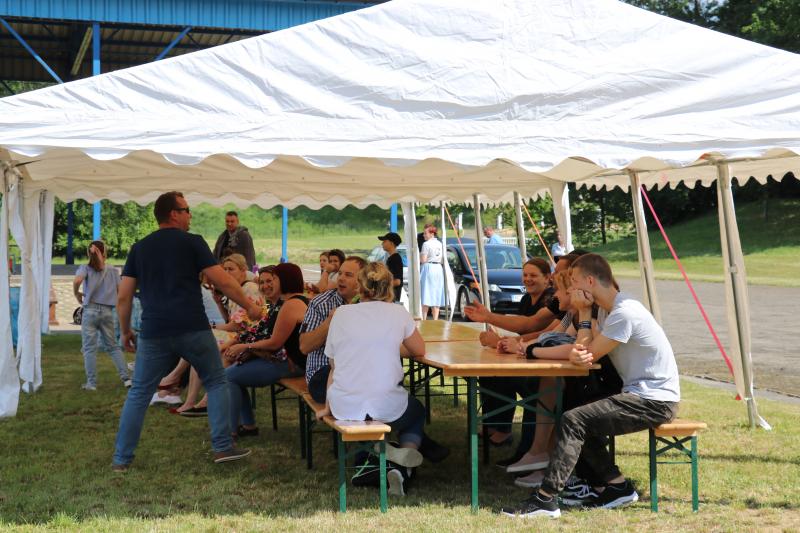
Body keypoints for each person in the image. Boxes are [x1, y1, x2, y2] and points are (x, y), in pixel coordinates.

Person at [501, 253, 680, 518]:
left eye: (573, 281)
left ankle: (545, 499)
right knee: (574, 413)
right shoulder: (608, 309)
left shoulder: (624, 312)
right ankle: (616, 486)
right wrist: (584, 315)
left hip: (654, 401)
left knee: (574, 419)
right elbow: (584, 350)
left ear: (590, 281)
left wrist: (581, 341)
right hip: (640, 395)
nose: (570, 288)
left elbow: (587, 353)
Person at [112, 191, 262, 472]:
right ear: (173, 214)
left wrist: (124, 331)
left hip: (154, 330)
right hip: (193, 327)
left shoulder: (139, 248)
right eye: (186, 210)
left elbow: (124, 296)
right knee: (216, 381)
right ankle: (222, 446)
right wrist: (251, 307)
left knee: (139, 393)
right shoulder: (193, 242)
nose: (190, 215)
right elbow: (224, 282)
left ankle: (121, 459)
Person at [316, 262, 444, 496]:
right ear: (389, 286)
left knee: (372, 407)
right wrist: (389, 346)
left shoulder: (341, 314)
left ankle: (381, 457)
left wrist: (327, 406)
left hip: (344, 404)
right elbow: (419, 349)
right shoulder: (398, 312)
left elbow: (334, 366)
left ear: (360, 286)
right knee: (416, 411)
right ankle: (404, 462)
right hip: (387, 405)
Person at [478, 258, 554, 452]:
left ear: (548, 278)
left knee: (513, 382)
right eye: (525, 275)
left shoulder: (552, 299)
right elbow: (524, 327)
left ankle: (510, 436)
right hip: (526, 356)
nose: (527, 279)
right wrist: (504, 341)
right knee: (488, 374)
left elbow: (536, 329)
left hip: (543, 362)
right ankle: (494, 426)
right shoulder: (526, 299)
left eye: (533, 275)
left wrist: (500, 340)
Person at [224, 263, 309, 437]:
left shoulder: (291, 305)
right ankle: (246, 426)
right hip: (284, 359)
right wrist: (243, 346)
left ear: (284, 280)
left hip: (291, 364)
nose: (269, 284)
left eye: (273, 279)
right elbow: (262, 331)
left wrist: (245, 347)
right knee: (231, 374)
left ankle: (230, 431)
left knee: (228, 377)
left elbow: (274, 343)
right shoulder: (285, 303)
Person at [299, 256, 366, 404]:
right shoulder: (320, 303)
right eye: (340, 273)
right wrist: (331, 321)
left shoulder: (370, 304)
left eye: (348, 275)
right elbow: (304, 346)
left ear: (363, 280)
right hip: (323, 371)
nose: (341, 278)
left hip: (359, 369)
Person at [73, 240, 131, 390]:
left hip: (90, 310)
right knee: (113, 346)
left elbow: (77, 280)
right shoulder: (113, 270)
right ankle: (126, 378)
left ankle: (91, 383)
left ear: (88, 253)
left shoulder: (85, 268)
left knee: (89, 349)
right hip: (107, 312)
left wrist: (77, 293)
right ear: (105, 253)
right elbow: (120, 292)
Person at [420, 225, 445, 320]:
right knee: (436, 294)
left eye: (425, 233)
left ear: (432, 234)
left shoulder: (426, 244)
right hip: (438, 268)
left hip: (428, 268)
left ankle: (424, 319)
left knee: (426, 293)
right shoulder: (440, 244)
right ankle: (435, 319)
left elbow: (423, 260)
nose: (424, 235)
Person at [378, 231, 403, 302]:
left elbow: (397, 281)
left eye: (385, 241)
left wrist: (381, 287)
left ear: (391, 243)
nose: (382, 243)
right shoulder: (392, 258)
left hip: (392, 297)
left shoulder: (395, 259)